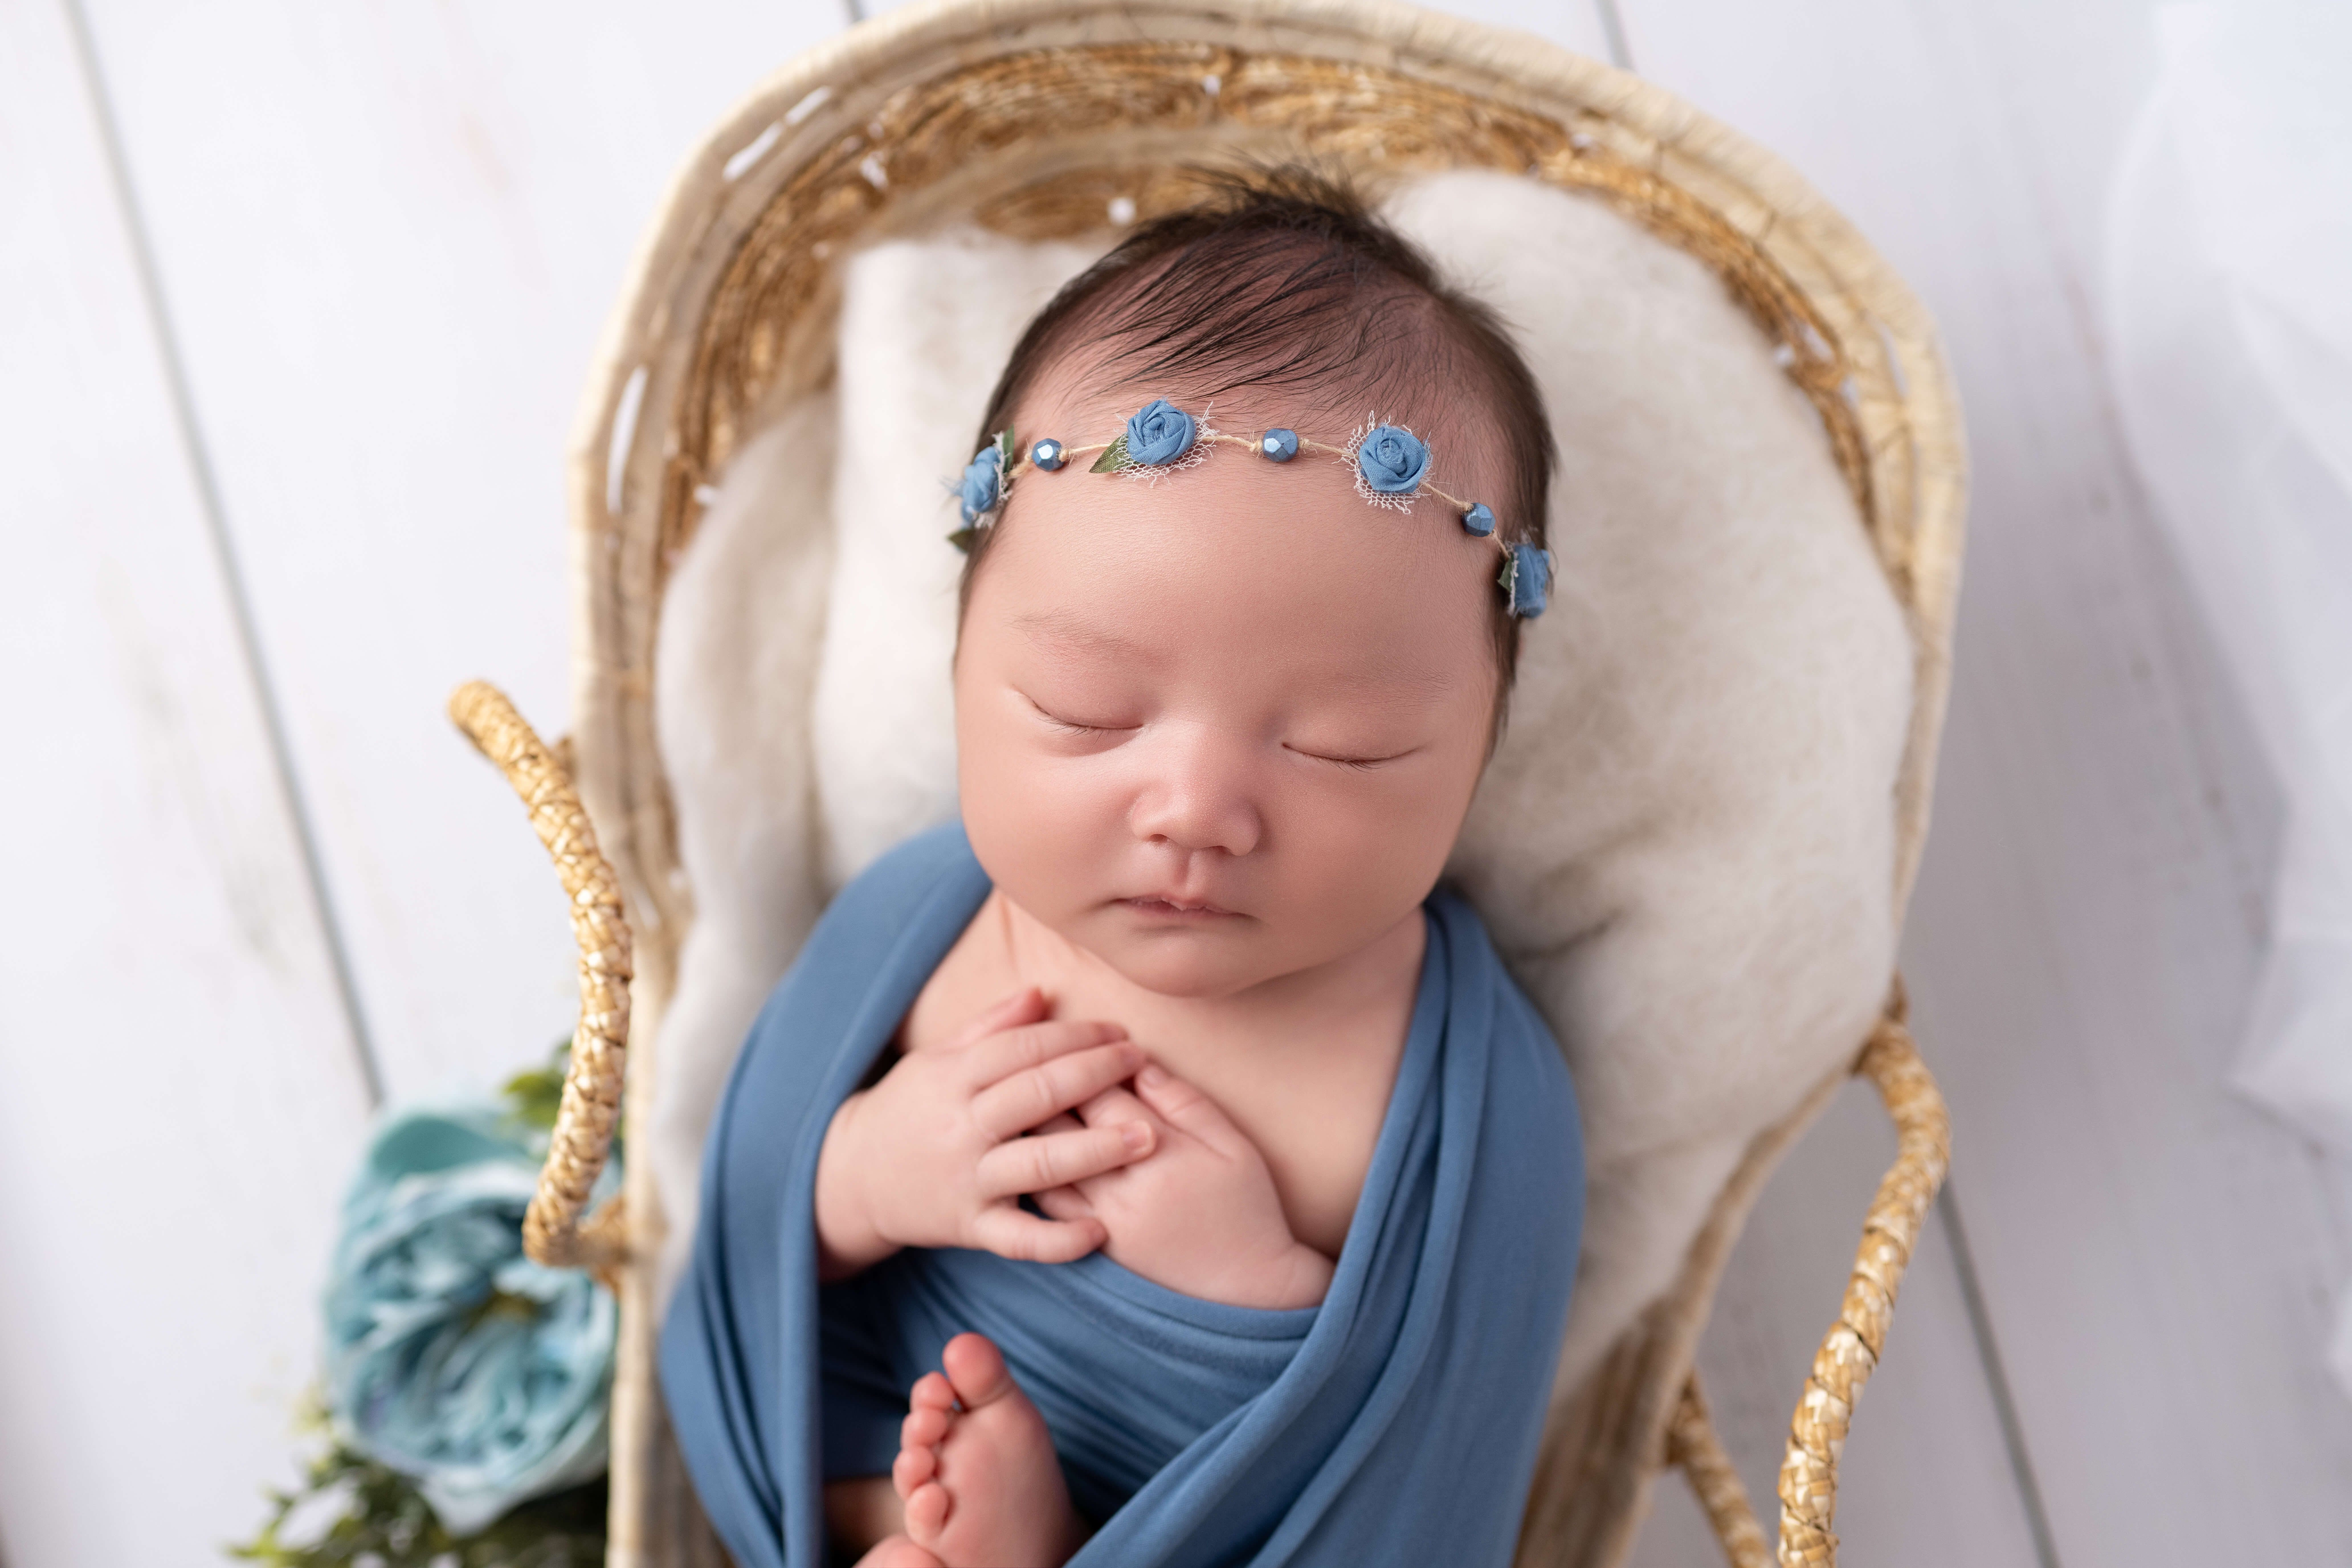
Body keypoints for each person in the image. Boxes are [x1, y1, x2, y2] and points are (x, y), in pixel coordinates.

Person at [662, 172, 1585, 1568]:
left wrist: (1254, 1292)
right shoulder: (928, 920)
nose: (1200, 810)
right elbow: (737, 1237)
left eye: (1347, 745)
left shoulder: (1471, 1100)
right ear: (965, 669)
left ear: (1478, 750)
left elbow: (1429, 1470)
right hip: (858, 1482)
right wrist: (857, 1178)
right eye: (1089, 710)